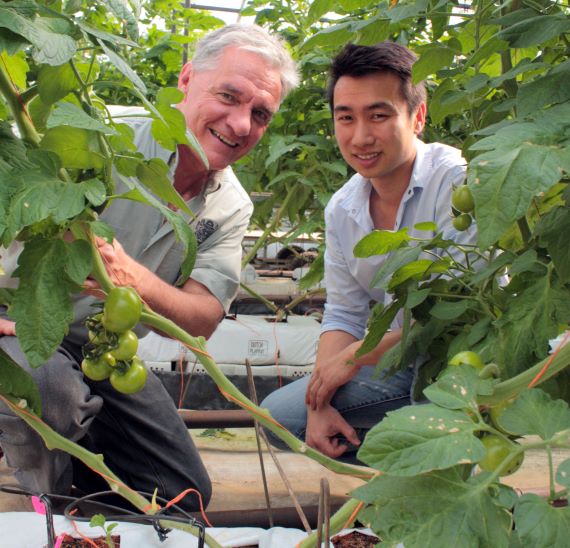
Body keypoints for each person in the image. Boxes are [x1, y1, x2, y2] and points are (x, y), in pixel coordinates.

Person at [0, 23, 298, 510]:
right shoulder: (95, 137)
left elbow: (202, 317)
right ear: (186, 79)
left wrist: (134, 279)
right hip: (22, 324)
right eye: (228, 95)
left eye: (260, 114)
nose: (241, 124)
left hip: (103, 345)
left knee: (182, 493)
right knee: (49, 390)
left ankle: (77, 464)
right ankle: (47, 502)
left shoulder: (229, 206)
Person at [261, 42, 476, 461]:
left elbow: (454, 311)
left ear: (418, 116)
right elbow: (344, 312)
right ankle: (400, 483)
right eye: (346, 118)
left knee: (432, 422)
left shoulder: (457, 184)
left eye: (379, 115)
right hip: (400, 360)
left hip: (467, 361)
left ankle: (426, 484)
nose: (361, 137)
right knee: (286, 417)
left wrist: (354, 357)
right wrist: (319, 400)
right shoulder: (343, 209)